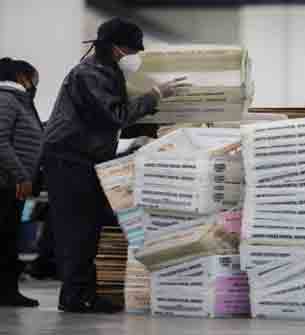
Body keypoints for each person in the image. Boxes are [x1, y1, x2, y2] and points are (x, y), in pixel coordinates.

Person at [43, 18, 187, 314]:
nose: (132, 56)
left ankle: (80, 293)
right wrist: (154, 96)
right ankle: (76, 296)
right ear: (115, 48)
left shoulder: (106, 71)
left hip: (86, 156)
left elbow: (111, 122)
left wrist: (156, 131)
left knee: (89, 226)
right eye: (130, 50)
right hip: (70, 158)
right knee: (78, 229)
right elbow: (114, 115)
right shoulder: (90, 74)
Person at [0, 57, 43, 307]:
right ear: (21, 77)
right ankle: (6, 292)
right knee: (4, 238)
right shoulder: (6, 99)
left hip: (12, 183)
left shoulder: (19, 102)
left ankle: (7, 291)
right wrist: (22, 175)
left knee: (8, 237)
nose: (35, 84)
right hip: (7, 182)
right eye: (34, 78)